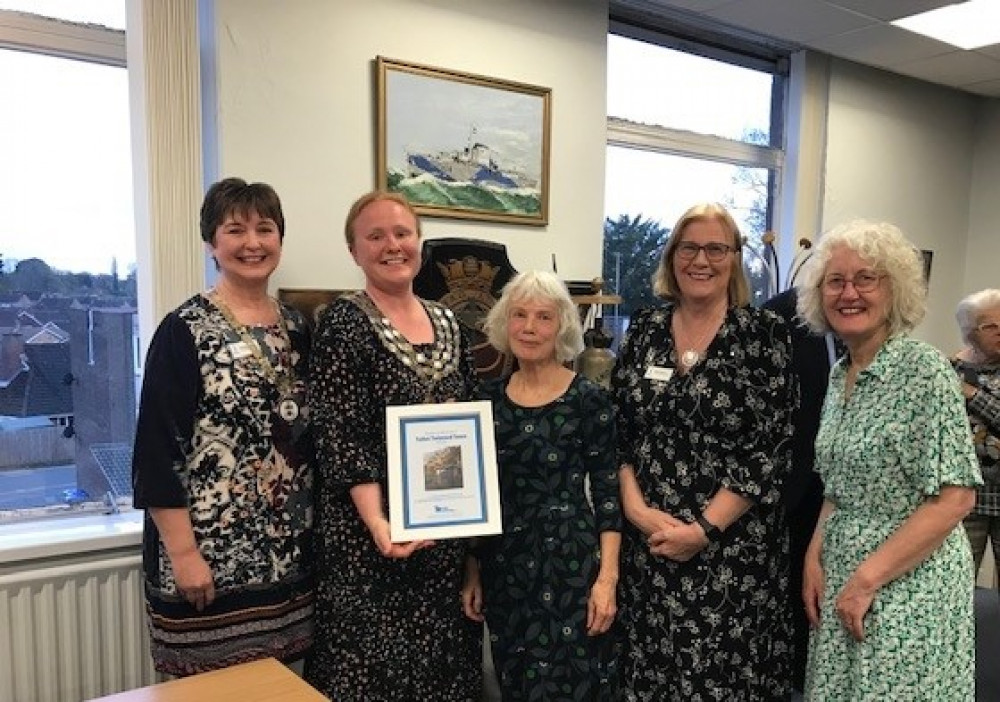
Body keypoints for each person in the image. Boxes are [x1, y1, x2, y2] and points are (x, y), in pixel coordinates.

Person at [610, 202, 797, 700]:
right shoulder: (645, 329)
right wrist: (635, 508)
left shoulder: (765, 336)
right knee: (650, 672)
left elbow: (770, 448)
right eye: (689, 247)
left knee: (724, 680)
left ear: (734, 259)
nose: (702, 260)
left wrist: (703, 530)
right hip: (649, 544)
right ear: (672, 257)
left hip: (733, 553)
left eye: (717, 248)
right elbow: (622, 430)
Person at [131, 177, 314, 676]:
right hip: (209, 562)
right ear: (212, 242)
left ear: (280, 239)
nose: (252, 243)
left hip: (288, 562)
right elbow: (155, 453)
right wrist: (185, 555)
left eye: (265, 228)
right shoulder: (183, 330)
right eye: (235, 230)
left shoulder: (299, 328)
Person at [305, 191, 482, 701]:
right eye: (375, 236)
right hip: (369, 546)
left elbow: (467, 429)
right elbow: (342, 436)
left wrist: (471, 550)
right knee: (372, 679)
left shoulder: (448, 322)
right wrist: (379, 522)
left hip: (443, 540)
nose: (392, 245)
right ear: (354, 251)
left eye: (402, 233)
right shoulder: (343, 323)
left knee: (442, 677)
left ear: (419, 243)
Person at [797, 220, 981, 700]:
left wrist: (866, 578)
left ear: (893, 289)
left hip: (907, 578)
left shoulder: (924, 370)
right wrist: (814, 558)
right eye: (835, 281)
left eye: (866, 279)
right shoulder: (840, 375)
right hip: (844, 571)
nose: (849, 293)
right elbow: (837, 487)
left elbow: (955, 499)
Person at [461, 270, 622, 700]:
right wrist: (472, 571)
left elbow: (609, 496)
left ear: (563, 328)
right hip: (505, 568)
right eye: (519, 315)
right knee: (516, 685)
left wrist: (607, 579)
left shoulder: (588, 398)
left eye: (544, 317)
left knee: (578, 685)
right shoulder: (485, 400)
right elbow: (478, 496)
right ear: (504, 322)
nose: (529, 328)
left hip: (571, 567)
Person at [763, 286, 838, 693]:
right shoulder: (781, 314)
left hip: (840, 493)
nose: (847, 292)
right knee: (794, 587)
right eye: (837, 279)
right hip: (790, 482)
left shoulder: (908, 360)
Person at [953, 289, 1000, 584]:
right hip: (964, 496)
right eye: (991, 326)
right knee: (958, 580)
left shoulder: (960, 382)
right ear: (970, 333)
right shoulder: (949, 368)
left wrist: (970, 393)